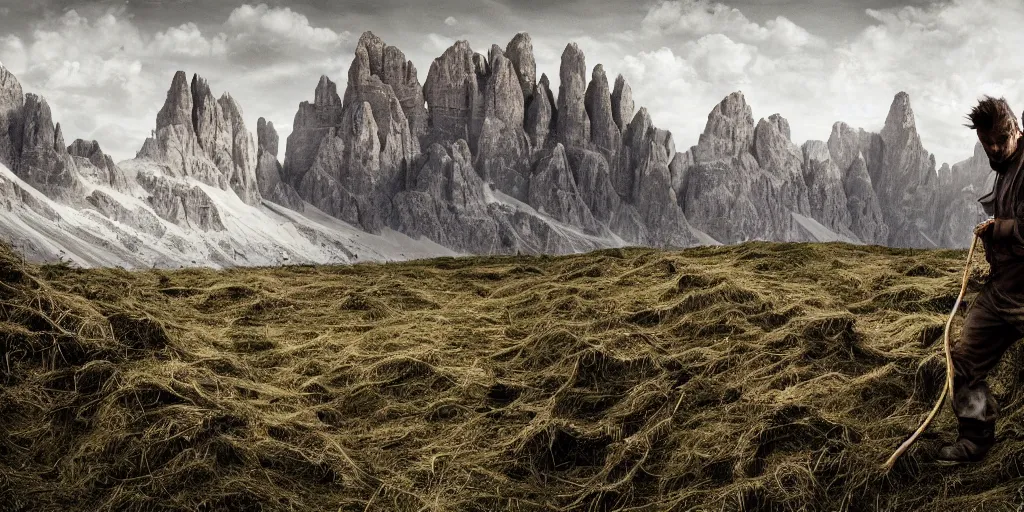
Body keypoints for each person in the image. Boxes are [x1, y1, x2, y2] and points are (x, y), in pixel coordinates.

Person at [939, 95, 1024, 463]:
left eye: (998, 142)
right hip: (1002, 290)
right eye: (985, 142)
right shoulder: (1005, 166)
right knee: (965, 358)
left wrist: (1000, 229)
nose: (992, 149)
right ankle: (974, 440)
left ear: (1016, 131)